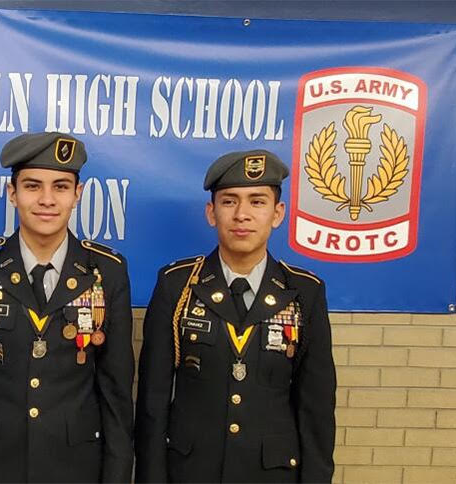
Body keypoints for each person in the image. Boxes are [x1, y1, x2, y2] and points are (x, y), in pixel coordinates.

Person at [0, 133, 134, 483]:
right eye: (32, 186)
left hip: (75, 467)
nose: (46, 200)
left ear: (78, 194)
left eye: (60, 187)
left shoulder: (106, 270)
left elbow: (116, 393)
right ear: (12, 193)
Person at [134, 149, 336, 483]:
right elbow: (153, 401)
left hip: (271, 474)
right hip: (191, 471)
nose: (242, 215)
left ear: (277, 213)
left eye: (257, 202)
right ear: (211, 213)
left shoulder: (304, 292)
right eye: (229, 202)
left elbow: (316, 409)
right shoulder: (177, 285)